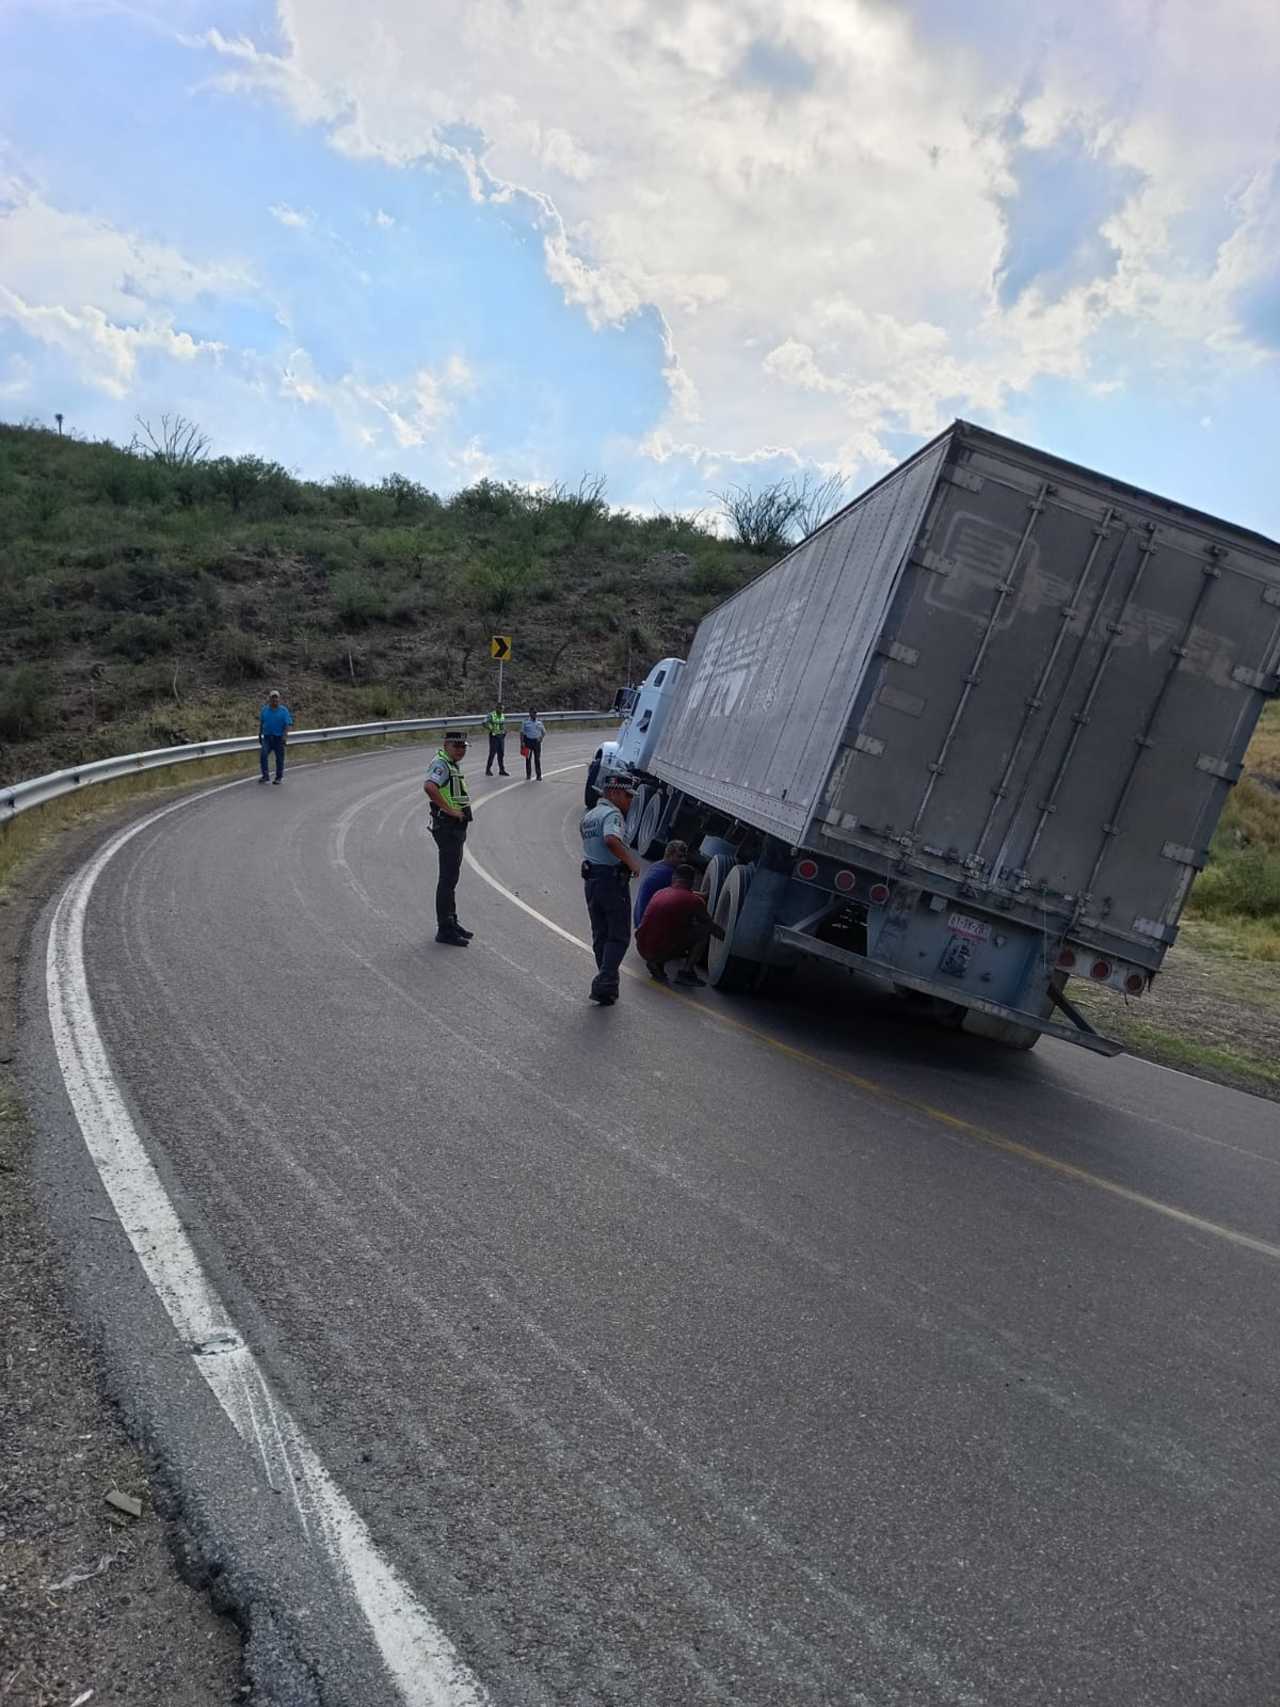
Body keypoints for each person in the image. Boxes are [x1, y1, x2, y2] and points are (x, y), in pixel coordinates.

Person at [579, 769, 642, 1005]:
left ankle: (609, 986)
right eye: (628, 796)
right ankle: (604, 981)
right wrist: (631, 862)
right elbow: (611, 840)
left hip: (592, 880)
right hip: (611, 880)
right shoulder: (612, 815)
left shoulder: (590, 815)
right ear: (614, 793)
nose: (630, 801)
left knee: (601, 935)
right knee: (618, 936)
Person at [423, 732, 474, 947]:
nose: (461, 750)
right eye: (457, 746)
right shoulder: (442, 764)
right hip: (448, 827)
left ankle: (451, 921)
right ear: (446, 745)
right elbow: (430, 786)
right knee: (447, 879)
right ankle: (444, 928)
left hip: (454, 828)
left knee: (451, 878)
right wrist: (451, 811)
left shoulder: (451, 763)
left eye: (463, 746)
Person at [635, 864, 724, 986]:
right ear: (692, 882)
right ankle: (685, 972)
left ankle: (657, 962)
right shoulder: (695, 901)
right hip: (658, 949)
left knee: (669, 925)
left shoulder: (661, 892)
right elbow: (711, 926)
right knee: (704, 930)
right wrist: (728, 941)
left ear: (674, 878)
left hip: (641, 946)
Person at [633, 839, 689, 928]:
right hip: (646, 921)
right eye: (679, 856)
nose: (683, 860)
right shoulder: (668, 873)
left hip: (639, 916)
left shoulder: (658, 865)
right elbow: (684, 895)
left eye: (684, 857)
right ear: (669, 855)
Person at [258, 689, 293, 785]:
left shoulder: (284, 710)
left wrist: (285, 737)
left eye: (276, 698)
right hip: (267, 737)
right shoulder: (264, 710)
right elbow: (261, 723)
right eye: (272, 698)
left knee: (279, 758)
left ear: (279, 699)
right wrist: (259, 735)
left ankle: (278, 777)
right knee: (263, 755)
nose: (274, 700)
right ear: (269, 699)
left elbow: (288, 724)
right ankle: (265, 776)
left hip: (279, 738)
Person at [521, 709, 546, 780]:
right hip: (528, 741)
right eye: (533, 713)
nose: (534, 715)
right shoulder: (525, 722)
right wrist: (522, 742)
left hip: (536, 742)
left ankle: (538, 775)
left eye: (535, 713)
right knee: (528, 759)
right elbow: (522, 733)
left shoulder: (539, 722)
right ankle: (528, 774)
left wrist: (541, 738)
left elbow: (544, 732)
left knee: (537, 759)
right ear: (530, 714)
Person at [484, 705, 509, 776]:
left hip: (501, 736)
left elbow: (503, 724)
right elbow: (484, 722)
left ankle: (502, 770)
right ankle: (488, 769)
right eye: (500, 709)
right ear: (497, 708)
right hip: (494, 736)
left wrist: (505, 731)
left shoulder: (502, 715)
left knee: (501, 753)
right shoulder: (491, 715)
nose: (502, 710)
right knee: (492, 753)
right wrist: (491, 729)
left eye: (503, 709)